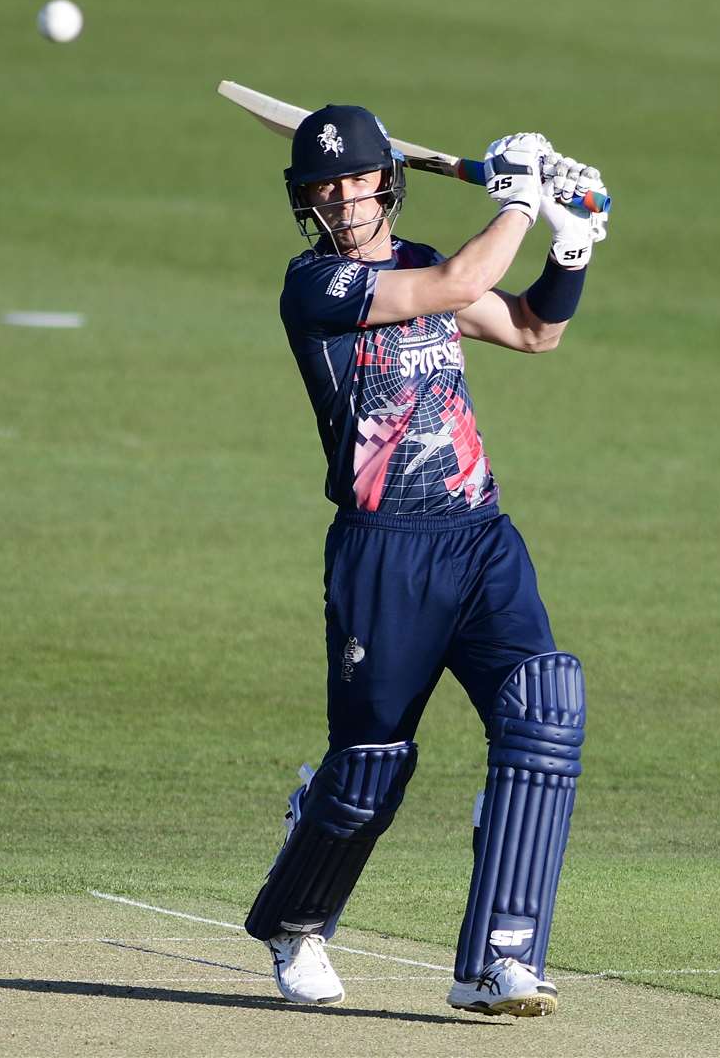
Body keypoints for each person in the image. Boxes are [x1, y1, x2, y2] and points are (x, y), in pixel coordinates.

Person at [241, 105, 607, 1018]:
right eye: (318, 188)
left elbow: (530, 331)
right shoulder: (314, 286)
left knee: (544, 711)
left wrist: (571, 244)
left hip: (478, 539)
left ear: (382, 181)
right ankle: (297, 922)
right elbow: (454, 285)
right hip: (383, 556)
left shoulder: (418, 261)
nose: (335, 199)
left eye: (349, 180)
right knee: (367, 771)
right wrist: (519, 198)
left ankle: (499, 960)